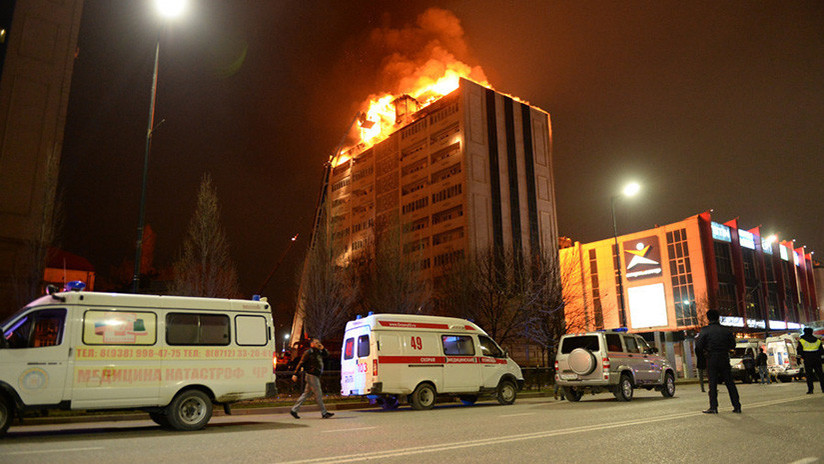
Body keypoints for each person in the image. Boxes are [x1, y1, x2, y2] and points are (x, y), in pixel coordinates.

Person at [695, 309, 741, 414]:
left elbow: (699, 345)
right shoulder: (726, 330)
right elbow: (733, 345)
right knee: (730, 383)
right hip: (724, 357)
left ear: (708, 318)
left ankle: (713, 407)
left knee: (712, 384)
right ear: (718, 317)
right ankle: (737, 406)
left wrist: (703, 355)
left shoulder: (705, 330)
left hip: (712, 358)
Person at [290, 338, 334, 419]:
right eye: (316, 343)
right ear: (312, 344)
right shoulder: (308, 352)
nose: (318, 344)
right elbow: (301, 363)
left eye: (319, 342)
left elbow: (327, 355)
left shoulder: (319, 352)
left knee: (306, 394)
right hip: (311, 375)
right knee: (318, 394)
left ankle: (294, 410)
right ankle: (324, 413)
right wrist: (295, 374)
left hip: (315, 375)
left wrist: (323, 348)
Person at [796, 327, 824, 394]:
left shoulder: (802, 341)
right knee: (820, 375)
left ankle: (810, 390)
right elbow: (822, 352)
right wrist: (822, 360)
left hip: (808, 360)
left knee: (809, 375)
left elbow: (799, 352)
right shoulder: (818, 341)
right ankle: (823, 389)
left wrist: (799, 359)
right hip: (817, 360)